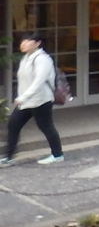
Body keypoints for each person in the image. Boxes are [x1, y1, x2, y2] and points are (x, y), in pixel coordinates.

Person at [2, 33, 64, 165]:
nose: (23, 44)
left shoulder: (42, 59)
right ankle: (8, 156)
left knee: (46, 127)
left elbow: (39, 81)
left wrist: (23, 96)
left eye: (27, 41)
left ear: (37, 43)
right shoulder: (26, 58)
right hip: (26, 102)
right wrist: (22, 97)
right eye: (22, 41)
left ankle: (57, 155)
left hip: (41, 100)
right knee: (13, 125)